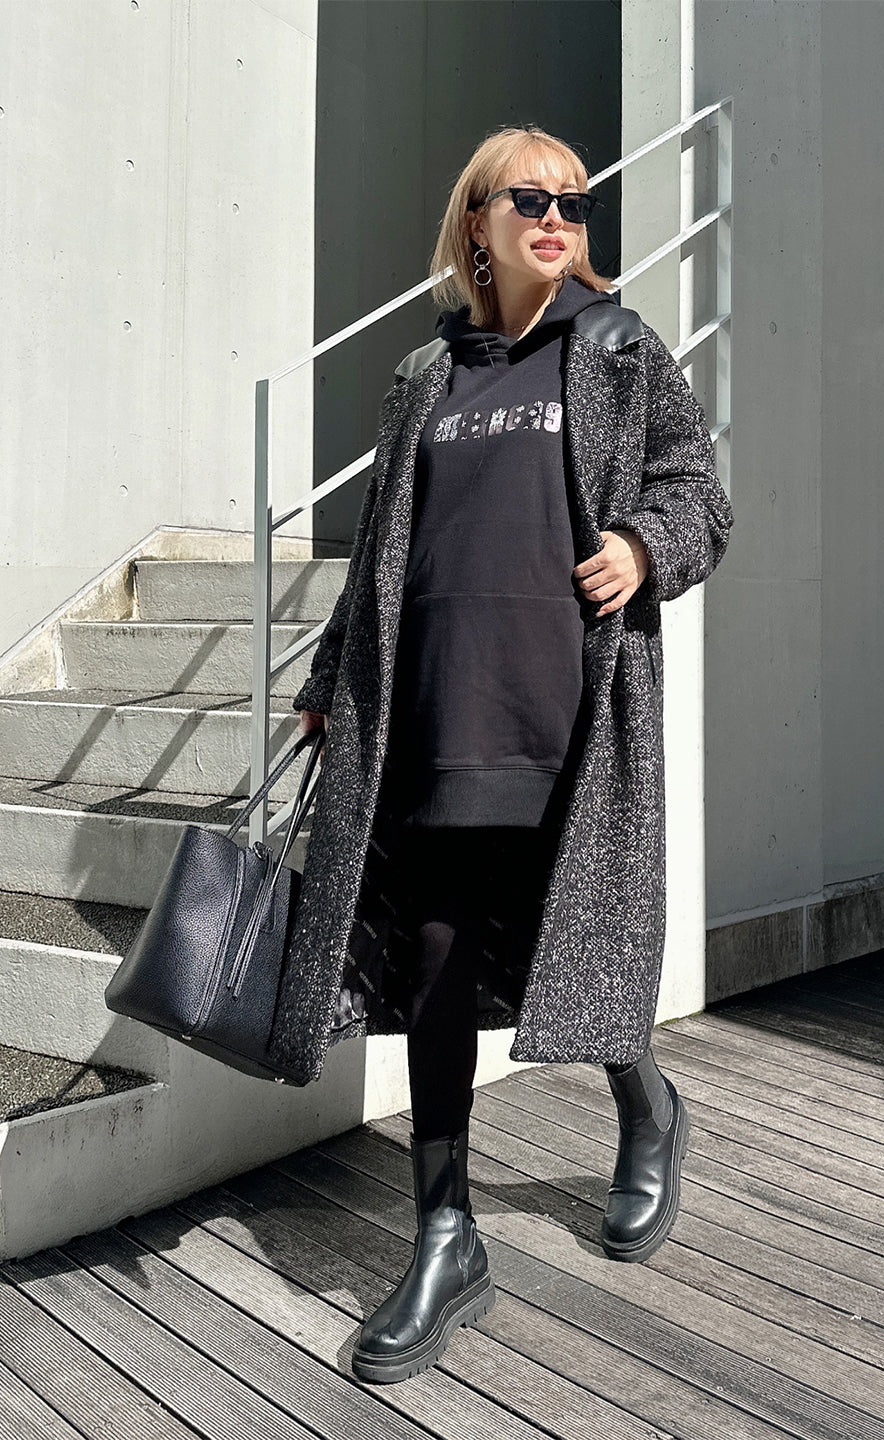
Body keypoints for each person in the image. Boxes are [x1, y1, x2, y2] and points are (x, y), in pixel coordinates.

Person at [288, 122, 734, 1385]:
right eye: (528, 199)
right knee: (435, 961)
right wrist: (327, 681)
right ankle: (447, 1236)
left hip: (569, 715)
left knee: (570, 937)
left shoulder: (619, 351)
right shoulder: (424, 377)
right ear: (476, 224)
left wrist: (644, 546)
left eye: (573, 203)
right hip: (438, 713)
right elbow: (381, 550)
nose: (555, 219)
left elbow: (700, 496)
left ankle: (647, 1104)